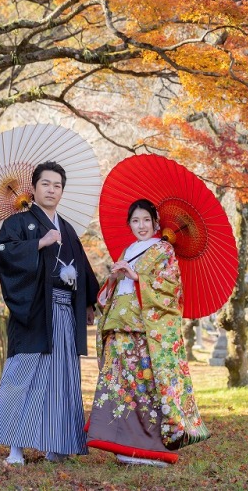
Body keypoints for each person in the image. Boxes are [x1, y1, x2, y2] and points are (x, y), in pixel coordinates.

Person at [86, 198, 210, 467]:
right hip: (119, 326)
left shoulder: (164, 249)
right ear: (129, 224)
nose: (140, 225)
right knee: (120, 386)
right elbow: (111, 294)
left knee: (145, 384)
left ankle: (153, 448)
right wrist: (115, 279)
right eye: (135, 220)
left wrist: (137, 277)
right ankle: (123, 445)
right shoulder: (128, 249)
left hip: (144, 330)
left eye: (146, 220)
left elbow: (170, 288)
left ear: (155, 223)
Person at [0, 161, 99, 466]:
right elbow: (6, 254)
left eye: (57, 186)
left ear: (62, 190)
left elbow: (82, 268)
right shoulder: (17, 224)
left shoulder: (66, 228)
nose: (51, 190)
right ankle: (16, 449)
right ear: (34, 188)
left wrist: (88, 302)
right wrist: (39, 242)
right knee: (23, 374)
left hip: (65, 314)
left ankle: (56, 445)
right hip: (34, 312)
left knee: (61, 379)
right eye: (46, 184)